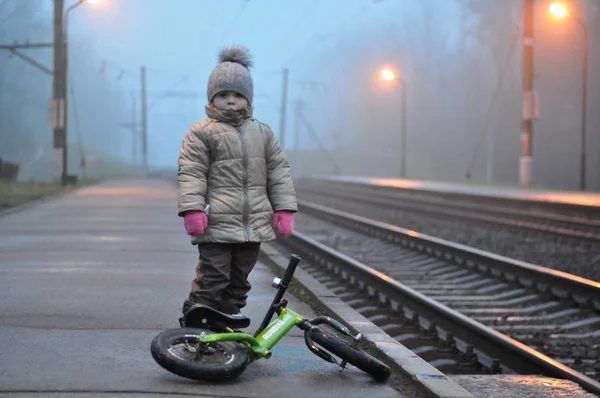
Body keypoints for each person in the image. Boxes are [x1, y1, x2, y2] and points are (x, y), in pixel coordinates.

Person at [177, 45, 297, 325]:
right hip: (216, 222)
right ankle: (195, 319)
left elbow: (278, 171)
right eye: (222, 95)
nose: (230, 101)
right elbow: (192, 172)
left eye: (237, 95)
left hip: (252, 224)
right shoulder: (201, 132)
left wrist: (284, 209)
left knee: (240, 279)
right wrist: (193, 209)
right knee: (214, 275)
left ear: (248, 98)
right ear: (212, 98)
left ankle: (227, 318)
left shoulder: (262, 132)